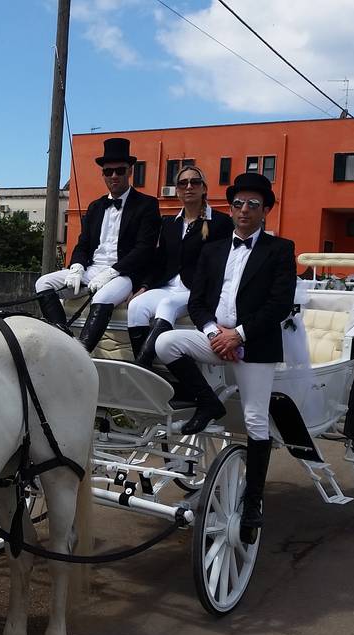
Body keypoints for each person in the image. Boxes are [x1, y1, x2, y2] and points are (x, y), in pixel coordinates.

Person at [155, 172, 296, 543]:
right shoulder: (213, 249)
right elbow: (198, 301)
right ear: (229, 208)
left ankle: (252, 503)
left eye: (253, 204)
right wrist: (215, 334)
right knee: (166, 343)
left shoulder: (279, 250)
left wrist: (240, 334)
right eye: (237, 203)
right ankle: (208, 403)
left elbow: (278, 305)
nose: (244, 210)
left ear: (266, 209)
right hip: (216, 338)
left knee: (255, 420)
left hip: (256, 345)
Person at [35, 137, 161, 351]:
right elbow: (83, 244)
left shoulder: (147, 205)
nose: (114, 176)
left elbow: (144, 249)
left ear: (130, 171)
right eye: (108, 171)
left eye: (119, 171)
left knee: (102, 297)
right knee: (43, 283)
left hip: (123, 274)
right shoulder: (95, 207)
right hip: (92, 270)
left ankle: (82, 351)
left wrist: (112, 272)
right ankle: (64, 339)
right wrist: (76, 267)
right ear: (102, 173)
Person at [127, 165, 233, 367]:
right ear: (177, 190)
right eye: (183, 183)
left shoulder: (221, 223)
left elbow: (224, 264)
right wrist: (144, 287)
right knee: (136, 306)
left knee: (167, 306)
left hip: (197, 290)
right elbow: (160, 261)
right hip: (169, 285)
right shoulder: (169, 223)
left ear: (204, 188)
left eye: (195, 182)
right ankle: (148, 368)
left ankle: (140, 366)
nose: (189, 187)